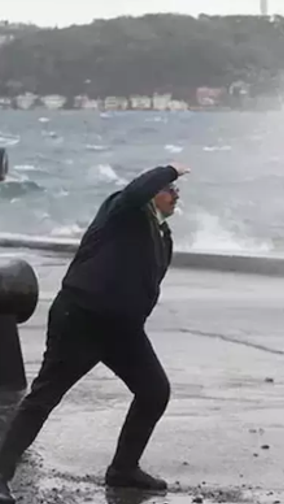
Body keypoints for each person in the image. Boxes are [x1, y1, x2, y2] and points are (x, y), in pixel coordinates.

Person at [0, 164, 190, 504]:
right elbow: (135, 191)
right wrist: (169, 170)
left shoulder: (163, 236)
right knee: (44, 398)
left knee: (154, 391)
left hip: (122, 330)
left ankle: (123, 469)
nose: (175, 195)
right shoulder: (123, 210)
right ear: (152, 193)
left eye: (177, 190)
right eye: (169, 189)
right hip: (81, 319)